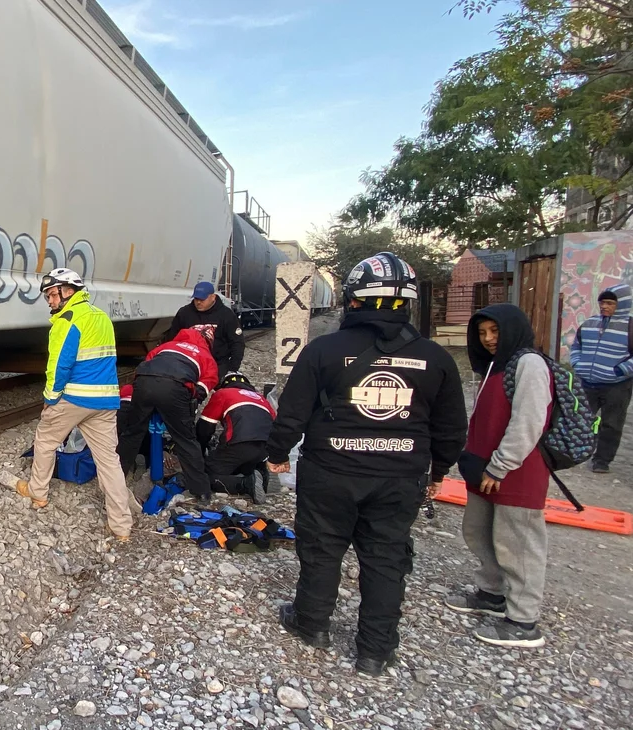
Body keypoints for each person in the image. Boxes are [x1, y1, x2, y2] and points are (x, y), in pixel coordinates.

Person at [264, 252, 467, 676]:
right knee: (386, 558)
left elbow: (292, 413)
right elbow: (450, 428)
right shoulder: (436, 359)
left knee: (321, 550)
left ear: (353, 300)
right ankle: (374, 651)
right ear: (408, 303)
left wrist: (279, 454)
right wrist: (439, 472)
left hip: (330, 473)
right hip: (399, 478)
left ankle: (312, 623)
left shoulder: (323, 350)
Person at [444, 304, 551, 648]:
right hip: (484, 470)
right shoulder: (494, 367)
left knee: (517, 543)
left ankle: (524, 619)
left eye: (495, 332)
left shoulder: (529, 364)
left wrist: (500, 465)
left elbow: (528, 422)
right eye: (482, 333)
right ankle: (491, 594)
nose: (489, 339)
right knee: (479, 532)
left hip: (514, 473)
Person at [14, 268, 136, 542]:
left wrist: (50, 399)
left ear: (68, 291)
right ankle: (121, 527)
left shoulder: (67, 320)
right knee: (109, 461)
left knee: (45, 441)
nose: (48, 300)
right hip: (106, 400)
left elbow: (59, 366)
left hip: (74, 397)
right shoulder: (101, 317)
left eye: (51, 293)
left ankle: (38, 493)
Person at [116, 329, 219, 501]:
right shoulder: (206, 356)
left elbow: (147, 363)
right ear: (208, 342)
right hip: (174, 387)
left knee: (132, 434)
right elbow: (203, 388)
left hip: (144, 382)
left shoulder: (166, 346)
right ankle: (201, 491)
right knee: (186, 440)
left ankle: (114, 481)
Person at [569, 284, 633, 473]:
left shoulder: (630, 327)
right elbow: (577, 347)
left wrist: (621, 371)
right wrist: (577, 364)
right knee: (581, 418)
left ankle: (602, 461)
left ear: (621, 304)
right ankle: (576, 452)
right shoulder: (589, 324)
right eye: (602, 302)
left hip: (617, 386)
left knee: (611, 424)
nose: (604, 306)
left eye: (609, 303)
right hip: (588, 383)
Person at [197, 371, 277, 504]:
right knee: (240, 462)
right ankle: (257, 471)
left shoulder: (223, 393)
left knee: (205, 475)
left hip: (239, 442)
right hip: (266, 447)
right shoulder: (261, 399)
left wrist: (199, 449)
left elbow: (205, 427)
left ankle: (246, 484)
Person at [162, 281, 245, 378]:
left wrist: (232, 369)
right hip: (190, 364)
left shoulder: (226, 315)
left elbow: (237, 343)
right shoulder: (184, 313)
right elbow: (172, 338)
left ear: (213, 297)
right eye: (196, 299)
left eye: (202, 299)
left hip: (217, 366)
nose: (198, 302)